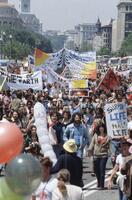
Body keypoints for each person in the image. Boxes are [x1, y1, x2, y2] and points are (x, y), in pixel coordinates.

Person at [88, 124, 110, 189]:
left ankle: (102, 185)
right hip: (96, 155)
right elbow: (92, 143)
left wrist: (112, 153)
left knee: (102, 170)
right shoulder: (95, 135)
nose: (101, 129)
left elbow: (110, 145)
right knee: (97, 170)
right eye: (100, 128)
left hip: (104, 154)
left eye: (102, 127)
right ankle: (99, 182)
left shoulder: (107, 136)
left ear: (104, 128)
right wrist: (89, 150)